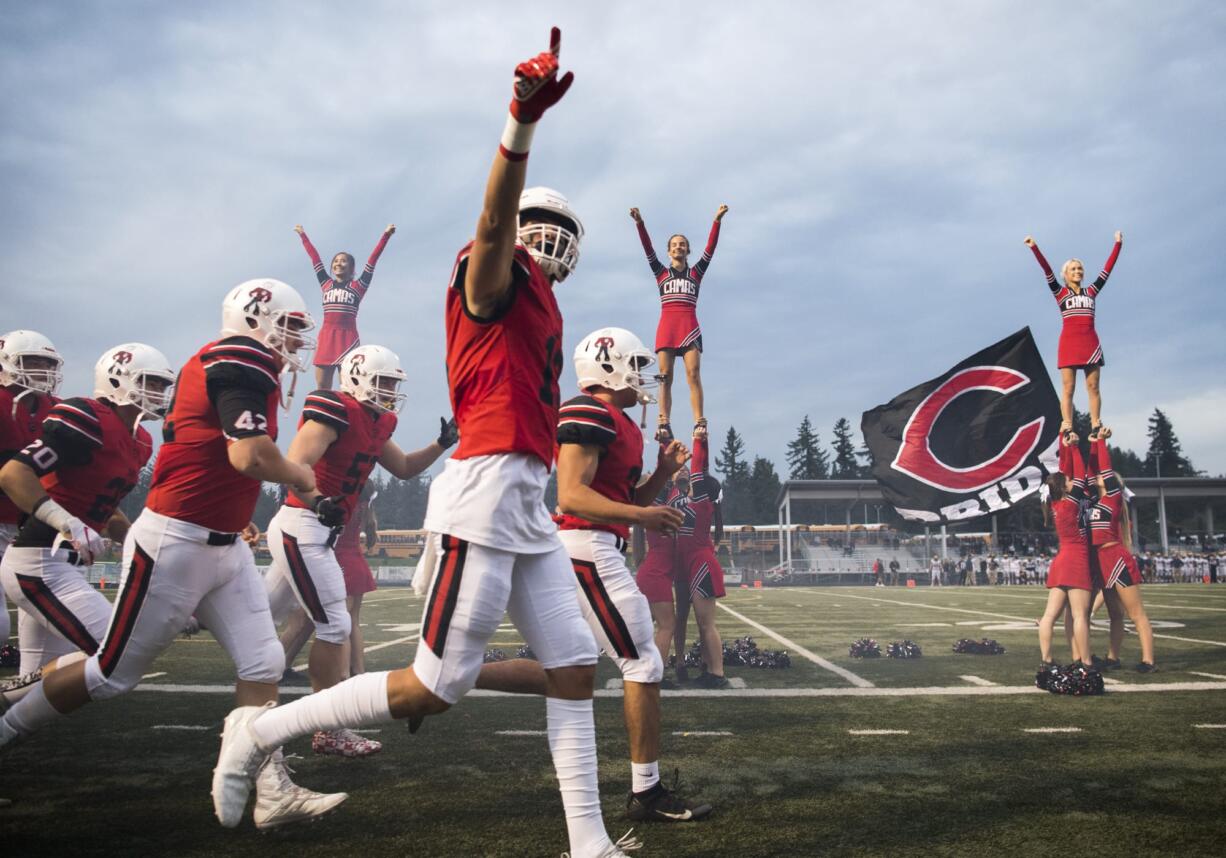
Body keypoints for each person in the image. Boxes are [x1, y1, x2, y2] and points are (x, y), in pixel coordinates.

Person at [211, 29, 641, 857]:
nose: (543, 236)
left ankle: (587, 844)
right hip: (484, 488)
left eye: (556, 227)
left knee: (575, 666)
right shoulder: (489, 273)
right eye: (533, 224)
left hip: (524, 499)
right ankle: (255, 735)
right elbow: (491, 221)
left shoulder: (547, 306)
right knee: (435, 687)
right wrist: (519, 124)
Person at [0, 279, 347, 831]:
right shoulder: (239, 358)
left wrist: (310, 492)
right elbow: (248, 457)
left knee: (264, 664)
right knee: (110, 676)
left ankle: (271, 787)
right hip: (177, 541)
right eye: (291, 325)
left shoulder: (237, 370)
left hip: (224, 543)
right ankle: (7, 733)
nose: (296, 339)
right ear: (257, 318)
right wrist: (300, 475)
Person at [475, 327, 711, 822]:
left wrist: (662, 477)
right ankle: (646, 792)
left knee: (567, 669)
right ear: (610, 366)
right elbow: (572, 495)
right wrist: (644, 517)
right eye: (636, 365)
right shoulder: (588, 411)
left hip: (596, 545)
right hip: (587, 547)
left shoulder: (620, 423)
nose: (644, 375)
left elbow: (625, 501)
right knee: (644, 662)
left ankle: (450, 678)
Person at [263, 345, 456, 758]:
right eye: (384, 381)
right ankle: (328, 727)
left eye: (393, 383)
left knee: (260, 619)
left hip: (318, 532)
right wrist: (317, 499)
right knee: (335, 626)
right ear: (357, 377)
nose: (390, 390)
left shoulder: (379, 420)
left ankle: (253, 713)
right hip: (303, 525)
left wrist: (441, 444)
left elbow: (403, 468)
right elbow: (295, 463)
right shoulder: (335, 409)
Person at [0, 344, 171, 685]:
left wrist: (153, 553)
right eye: (149, 383)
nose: (157, 393)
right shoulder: (87, 417)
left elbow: (108, 511)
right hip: (39, 562)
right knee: (119, 653)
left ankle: (9, 717)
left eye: (161, 386)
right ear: (117, 380)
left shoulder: (141, 439)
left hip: (64, 566)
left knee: (35, 679)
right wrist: (69, 523)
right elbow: (13, 474)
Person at [629, 204, 728, 441]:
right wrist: (640, 223)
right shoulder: (661, 273)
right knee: (665, 376)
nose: (678, 247)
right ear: (669, 251)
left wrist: (717, 221)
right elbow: (647, 249)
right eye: (674, 245)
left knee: (693, 374)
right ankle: (663, 422)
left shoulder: (696, 273)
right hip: (667, 328)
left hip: (689, 327)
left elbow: (710, 249)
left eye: (682, 244)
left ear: (687, 250)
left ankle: (699, 422)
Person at [0, 331, 64, 659]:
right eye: (32, 361)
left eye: (46, 363)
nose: (41, 370)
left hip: (32, 522)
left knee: (37, 605)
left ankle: (29, 673)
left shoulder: (55, 408)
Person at [1024, 231, 1123, 435]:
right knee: (1068, 388)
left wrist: (1118, 244)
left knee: (1093, 386)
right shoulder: (1060, 293)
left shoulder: (1092, 291)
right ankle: (1067, 424)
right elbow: (1047, 270)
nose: (1077, 271)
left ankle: (1096, 423)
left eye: (1080, 269)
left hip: (1090, 343)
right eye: (1073, 269)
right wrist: (1034, 247)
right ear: (1066, 274)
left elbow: (1107, 269)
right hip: (1069, 343)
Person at [294, 222, 396, 389]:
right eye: (335, 261)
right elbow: (315, 259)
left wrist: (386, 235)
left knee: (348, 386)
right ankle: (322, 414)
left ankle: (346, 414)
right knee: (321, 386)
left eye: (343, 261)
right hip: (327, 336)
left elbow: (373, 260)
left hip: (348, 338)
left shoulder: (359, 286)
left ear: (351, 267)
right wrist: (303, 235)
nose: (338, 263)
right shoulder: (326, 284)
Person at [1088, 428, 1156, 672]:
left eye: (1103, 476)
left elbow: (1104, 468)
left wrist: (1103, 443)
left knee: (1135, 613)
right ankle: (1112, 657)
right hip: (1101, 560)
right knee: (1114, 614)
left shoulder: (1113, 498)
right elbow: (1093, 468)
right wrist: (1093, 443)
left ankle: (1148, 660)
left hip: (1115, 557)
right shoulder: (1096, 501)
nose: (1098, 476)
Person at [672, 426, 728, 689]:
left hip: (701, 565)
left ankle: (717, 674)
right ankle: (707, 669)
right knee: (702, 623)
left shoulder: (702, 502)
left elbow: (699, 465)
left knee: (706, 625)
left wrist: (699, 439)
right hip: (694, 565)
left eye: (695, 479)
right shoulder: (687, 502)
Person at [1037, 433, 1093, 667]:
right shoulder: (1070, 503)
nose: (1072, 480)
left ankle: (1046, 660)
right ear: (1063, 486)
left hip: (1060, 561)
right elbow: (1080, 476)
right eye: (1067, 480)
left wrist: (1064, 441)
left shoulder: (1055, 504)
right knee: (1080, 615)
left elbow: (1069, 474)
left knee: (1049, 616)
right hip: (1076, 559)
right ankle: (1086, 661)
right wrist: (1076, 448)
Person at [634, 454, 687, 683]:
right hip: (656, 575)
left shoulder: (650, 511)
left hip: (649, 572)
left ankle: (643, 668)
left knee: (647, 627)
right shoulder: (664, 509)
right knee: (668, 625)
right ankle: (657, 673)